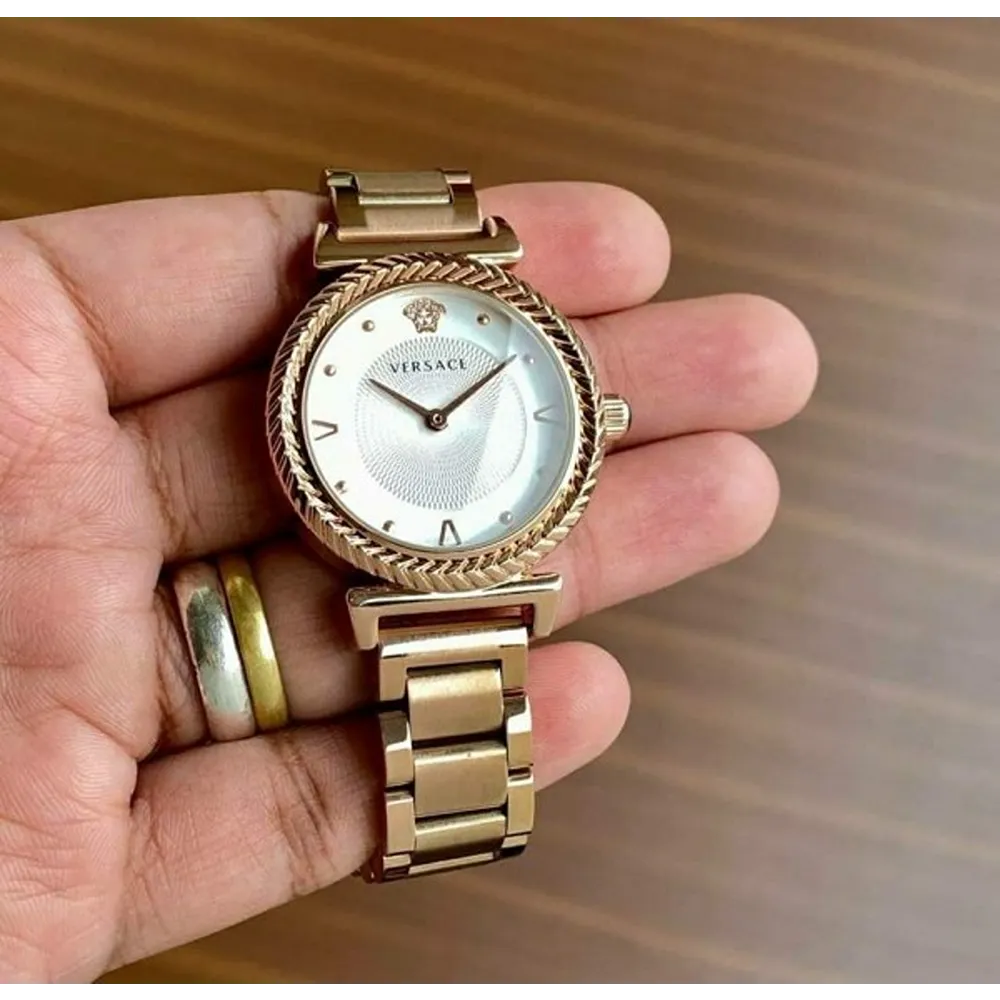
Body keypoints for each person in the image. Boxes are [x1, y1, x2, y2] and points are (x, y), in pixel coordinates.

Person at [0, 181, 817, 982]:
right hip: (391, 576)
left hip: (486, 569)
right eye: (425, 412)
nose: (437, 418)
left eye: (447, 411)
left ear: (593, 419)